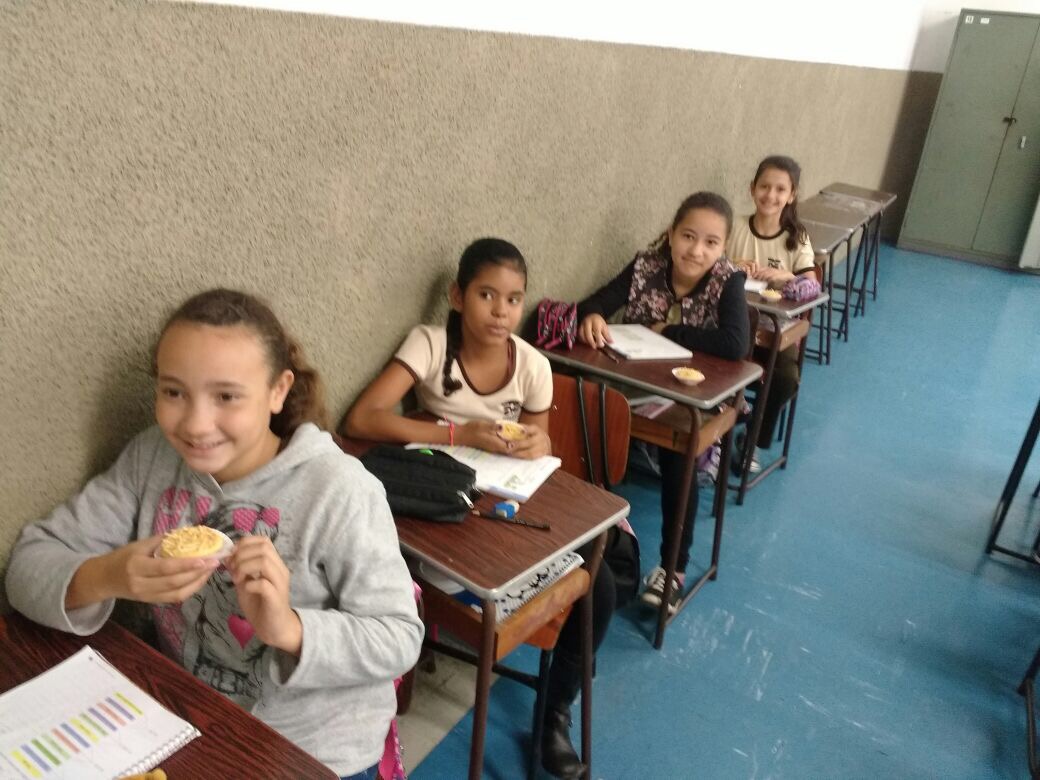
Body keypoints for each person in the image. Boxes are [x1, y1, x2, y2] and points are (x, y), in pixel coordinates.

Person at [5, 289, 423, 780]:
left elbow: (399, 636)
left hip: (314, 751)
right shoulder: (152, 458)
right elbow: (28, 565)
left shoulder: (338, 489)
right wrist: (108, 575)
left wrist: (288, 628)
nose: (196, 425)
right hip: (186, 715)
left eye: (226, 396)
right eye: (173, 392)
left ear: (278, 390)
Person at [343, 237, 615, 780]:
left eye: (513, 299)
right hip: (443, 501)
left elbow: (538, 451)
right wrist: (459, 433)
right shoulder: (429, 344)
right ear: (457, 296)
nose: (500, 311)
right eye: (486, 295)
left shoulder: (532, 365)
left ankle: (553, 713)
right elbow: (362, 418)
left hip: (504, 502)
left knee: (600, 584)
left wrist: (538, 444)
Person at [575, 192, 749, 613]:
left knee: (680, 453)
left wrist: (668, 332)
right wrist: (592, 315)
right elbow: (595, 303)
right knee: (581, 414)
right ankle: (588, 543)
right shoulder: (645, 267)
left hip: (695, 399)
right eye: (688, 236)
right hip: (636, 387)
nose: (696, 250)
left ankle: (674, 568)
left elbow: (735, 343)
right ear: (670, 234)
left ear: (723, 248)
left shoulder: (728, 281)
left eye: (710, 242)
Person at [727, 155, 815, 469]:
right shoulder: (735, 226)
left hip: (773, 333)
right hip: (731, 325)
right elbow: (711, 265)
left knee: (786, 379)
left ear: (791, 196)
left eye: (780, 189)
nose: (771, 195)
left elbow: (812, 285)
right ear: (752, 189)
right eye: (764, 186)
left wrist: (786, 277)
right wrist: (732, 266)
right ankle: (716, 433)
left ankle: (752, 440)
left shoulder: (796, 238)